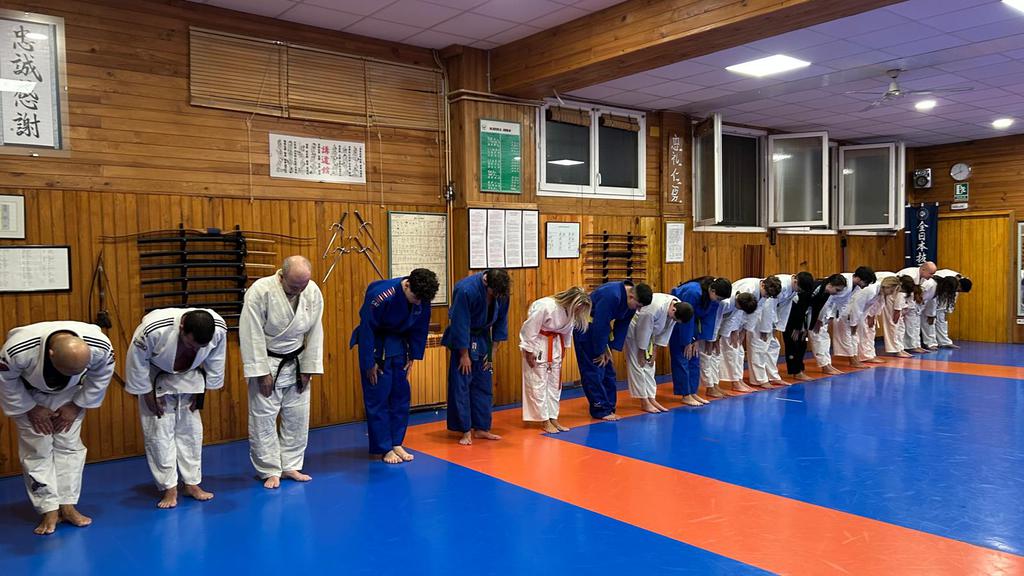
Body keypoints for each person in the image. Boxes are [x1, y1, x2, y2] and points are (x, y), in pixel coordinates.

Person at [0, 322, 115, 535]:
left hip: (72, 393)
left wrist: (76, 405)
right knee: (37, 449)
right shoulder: (18, 349)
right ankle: (48, 509)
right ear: (51, 354)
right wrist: (31, 408)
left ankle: (68, 505)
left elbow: (101, 376)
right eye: (68, 370)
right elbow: (5, 380)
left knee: (70, 447)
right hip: (28, 394)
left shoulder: (99, 346)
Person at [126, 308, 227, 508]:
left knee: (192, 433)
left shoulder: (218, 329)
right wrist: (147, 395)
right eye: (190, 344)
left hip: (191, 375)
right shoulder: (153, 329)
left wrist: (203, 390)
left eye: (200, 347)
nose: (194, 349)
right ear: (181, 327)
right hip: (155, 375)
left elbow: (216, 361)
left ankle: (192, 483)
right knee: (159, 434)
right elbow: (136, 363)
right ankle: (169, 488)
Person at [240, 256, 324, 488]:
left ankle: (291, 465)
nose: (300, 290)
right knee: (263, 418)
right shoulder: (260, 291)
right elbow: (251, 333)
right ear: (281, 276)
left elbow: (315, 330)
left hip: (297, 361)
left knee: (298, 417)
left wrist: (308, 367)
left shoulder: (312, 290)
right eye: (294, 286)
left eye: (303, 285)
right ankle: (269, 469)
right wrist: (261, 372)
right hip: (268, 361)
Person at [351, 268, 438, 464]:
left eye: (421, 300)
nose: (418, 302)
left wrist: (413, 355)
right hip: (378, 346)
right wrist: (369, 362)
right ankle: (384, 447)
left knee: (400, 397)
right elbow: (367, 329)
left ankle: (396, 442)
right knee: (378, 397)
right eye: (415, 298)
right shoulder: (381, 295)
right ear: (407, 285)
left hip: (400, 347)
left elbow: (421, 326)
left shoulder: (422, 296)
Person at [444, 269, 510, 444]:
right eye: (493, 293)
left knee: (484, 384)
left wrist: (493, 351)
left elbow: (501, 320)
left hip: (483, 339)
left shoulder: (501, 289)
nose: (496, 297)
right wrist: (463, 354)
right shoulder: (465, 289)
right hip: (464, 339)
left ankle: (481, 428)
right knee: (461, 385)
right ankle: (465, 430)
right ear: (486, 282)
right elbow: (459, 323)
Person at [574, 280, 652, 420]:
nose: (638, 310)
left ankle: (609, 407)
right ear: (631, 296)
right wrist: (601, 350)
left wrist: (612, 347)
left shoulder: (631, 301)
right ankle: (600, 409)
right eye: (638, 306)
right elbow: (600, 323)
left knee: (609, 371)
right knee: (594, 369)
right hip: (587, 327)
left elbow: (622, 325)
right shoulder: (612, 295)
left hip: (602, 331)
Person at [519, 287, 592, 432]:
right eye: (578, 307)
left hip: (556, 346)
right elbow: (530, 327)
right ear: (571, 301)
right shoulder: (545, 305)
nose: (578, 311)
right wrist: (528, 350)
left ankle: (553, 418)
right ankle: (544, 420)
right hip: (539, 344)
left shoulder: (571, 312)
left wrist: (564, 348)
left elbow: (568, 332)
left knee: (555, 385)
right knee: (537, 383)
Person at [625, 293, 693, 413]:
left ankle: (651, 398)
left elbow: (666, 330)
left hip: (651, 331)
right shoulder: (653, 308)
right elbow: (643, 330)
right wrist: (641, 351)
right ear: (673, 309)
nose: (673, 320)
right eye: (674, 318)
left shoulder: (678, 306)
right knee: (638, 363)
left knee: (650, 364)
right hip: (635, 325)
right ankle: (644, 401)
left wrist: (655, 351)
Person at [670, 277, 731, 406]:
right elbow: (686, 317)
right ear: (712, 290)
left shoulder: (713, 298)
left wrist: (698, 339)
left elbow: (709, 319)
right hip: (678, 322)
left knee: (694, 358)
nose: (718, 301)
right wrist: (687, 341)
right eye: (718, 298)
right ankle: (685, 394)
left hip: (693, 324)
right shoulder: (693, 292)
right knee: (683, 356)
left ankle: (693, 392)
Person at [724, 276, 782, 390]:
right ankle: (735, 382)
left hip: (740, 319)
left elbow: (755, 312)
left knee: (739, 351)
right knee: (733, 349)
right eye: (767, 294)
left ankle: (739, 380)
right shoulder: (748, 288)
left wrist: (744, 330)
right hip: (729, 317)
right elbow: (737, 310)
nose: (766, 297)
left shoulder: (763, 292)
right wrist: (735, 331)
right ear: (763, 285)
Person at [785, 274, 846, 381]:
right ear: (830, 284)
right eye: (837, 290)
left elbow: (816, 309)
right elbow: (801, 306)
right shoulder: (814, 288)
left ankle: (799, 370)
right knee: (793, 343)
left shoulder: (825, 292)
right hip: (792, 313)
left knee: (802, 344)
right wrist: (798, 327)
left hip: (802, 315)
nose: (837, 293)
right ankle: (796, 371)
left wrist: (809, 327)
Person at [762, 273, 815, 386]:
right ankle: (761, 379)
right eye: (799, 289)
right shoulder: (781, 285)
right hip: (762, 315)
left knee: (774, 345)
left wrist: (778, 327)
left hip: (770, 316)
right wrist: (767, 327)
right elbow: (768, 306)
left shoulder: (793, 289)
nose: (799, 291)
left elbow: (785, 309)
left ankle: (772, 376)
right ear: (795, 281)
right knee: (761, 346)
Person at [714, 284, 763, 394]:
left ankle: (738, 380)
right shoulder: (726, 303)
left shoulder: (739, 301)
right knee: (729, 351)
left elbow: (736, 315)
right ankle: (731, 383)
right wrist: (716, 338)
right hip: (716, 326)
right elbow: (717, 320)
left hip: (730, 325)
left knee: (739, 351)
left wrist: (738, 331)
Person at [825, 267, 877, 369]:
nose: (867, 286)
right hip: (825, 308)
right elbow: (829, 299)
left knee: (849, 334)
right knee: (830, 337)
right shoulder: (844, 282)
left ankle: (853, 360)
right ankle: (828, 365)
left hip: (838, 310)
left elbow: (845, 301)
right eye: (866, 282)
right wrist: (829, 316)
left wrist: (845, 312)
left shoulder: (855, 286)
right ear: (859, 279)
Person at [842, 271, 895, 367]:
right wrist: (854, 323)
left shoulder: (879, 291)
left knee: (856, 335)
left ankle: (857, 358)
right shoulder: (871, 290)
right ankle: (854, 360)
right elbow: (857, 306)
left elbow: (870, 306)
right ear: (887, 287)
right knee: (852, 335)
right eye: (891, 291)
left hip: (860, 313)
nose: (891, 294)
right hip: (849, 311)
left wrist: (872, 315)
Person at [897, 262, 938, 353]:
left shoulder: (924, 279)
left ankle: (915, 345)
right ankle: (908, 346)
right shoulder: (910, 275)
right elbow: (902, 292)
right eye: (931, 273)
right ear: (923, 269)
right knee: (907, 324)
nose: (932, 276)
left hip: (910, 301)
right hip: (900, 299)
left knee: (914, 322)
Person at [932, 269, 972, 349]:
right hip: (933, 293)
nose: (957, 291)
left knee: (942, 318)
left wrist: (947, 311)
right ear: (959, 285)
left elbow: (951, 302)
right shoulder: (943, 276)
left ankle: (944, 342)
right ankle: (931, 343)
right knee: (929, 319)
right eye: (958, 290)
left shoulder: (957, 284)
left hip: (942, 296)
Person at [881, 275, 919, 358]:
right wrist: (895, 320)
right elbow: (897, 309)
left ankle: (901, 349)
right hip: (893, 313)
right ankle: (897, 350)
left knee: (900, 331)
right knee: (894, 330)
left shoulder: (900, 291)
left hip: (898, 313)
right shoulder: (900, 293)